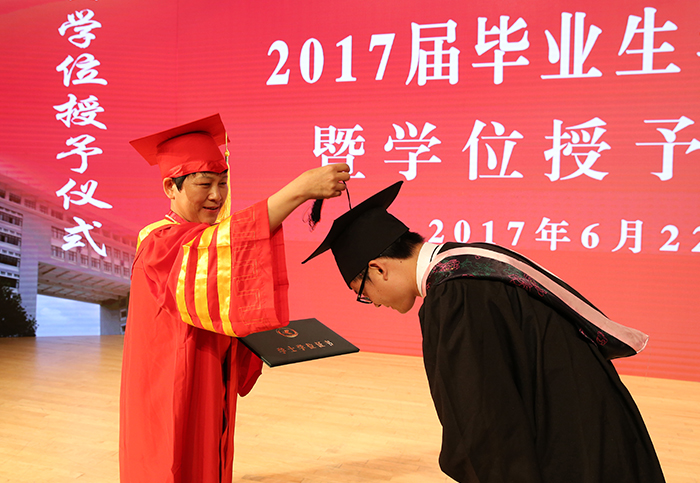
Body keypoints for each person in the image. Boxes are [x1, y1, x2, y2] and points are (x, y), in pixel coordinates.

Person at [302, 181, 666, 483]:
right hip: (593, 424)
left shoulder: (453, 297)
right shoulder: (468, 262)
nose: (373, 303)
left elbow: (485, 423)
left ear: (379, 269)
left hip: (571, 446)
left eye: (362, 293)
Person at [120, 113, 350, 483]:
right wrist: (299, 191)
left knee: (208, 452)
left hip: (208, 367)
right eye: (204, 184)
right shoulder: (159, 241)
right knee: (171, 457)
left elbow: (229, 272)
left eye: (222, 183)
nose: (216, 195)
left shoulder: (199, 236)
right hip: (171, 378)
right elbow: (227, 244)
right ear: (170, 188)